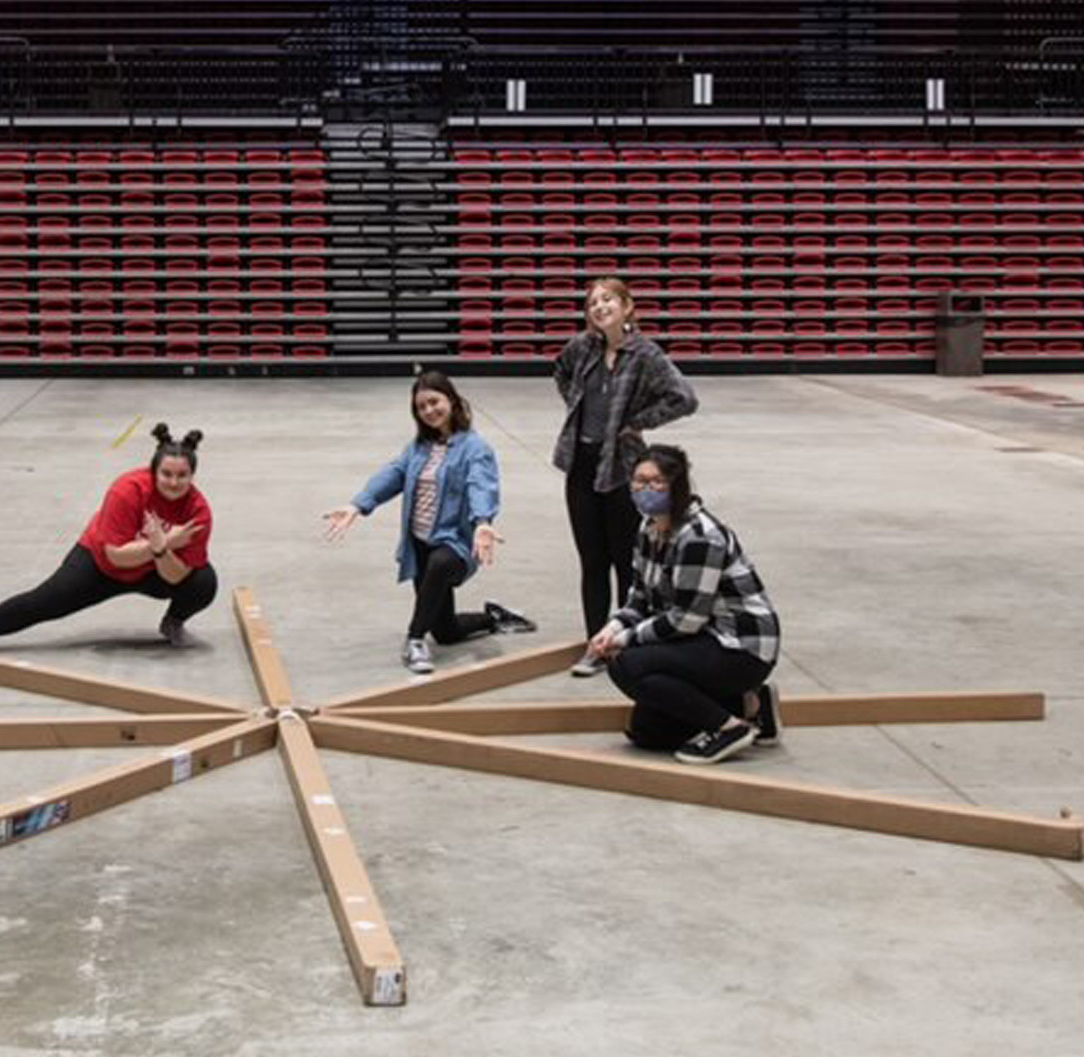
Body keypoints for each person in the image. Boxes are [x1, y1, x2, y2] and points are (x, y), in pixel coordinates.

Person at [324, 370, 537, 675]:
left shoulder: (475, 449)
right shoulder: (418, 448)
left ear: (451, 400)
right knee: (446, 632)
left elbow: (481, 485)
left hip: (455, 544)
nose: (429, 411)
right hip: (420, 543)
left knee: (439, 565)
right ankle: (495, 617)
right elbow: (393, 474)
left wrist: (482, 521)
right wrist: (357, 505)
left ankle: (413, 641)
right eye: (421, 407)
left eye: (434, 402)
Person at [587, 445, 781, 765]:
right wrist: (612, 627)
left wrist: (625, 640)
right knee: (648, 731)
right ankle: (752, 706)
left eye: (655, 482)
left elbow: (686, 619)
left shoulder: (699, 537)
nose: (644, 490)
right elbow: (639, 599)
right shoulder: (648, 528)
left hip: (740, 645)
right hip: (701, 637)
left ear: (677, 485)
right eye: (638, 481)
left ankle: (729, 727)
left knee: (628, 665)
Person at [0, 424, 215, 649]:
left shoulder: (198, 512)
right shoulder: (127, 490)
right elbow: (116, 556)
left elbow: (175, 577)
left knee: (203, 581)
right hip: (100, 565)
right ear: (152, 472)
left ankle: (173, 623)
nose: (173, 482)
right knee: (44, 601)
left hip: (152, 570)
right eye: (166, 474)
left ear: (193, 476)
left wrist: (160, 550)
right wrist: (164, 543)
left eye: (182, 476)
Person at [553, 276, 699, 676]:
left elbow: (684, 397)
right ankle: (594, 644)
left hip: (621, 467)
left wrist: (638, 422)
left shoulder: (645, 353)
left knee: (625, 560)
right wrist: (576, 406)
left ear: (627, 306)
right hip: (581, 462)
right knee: (591, 559)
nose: (599, 307)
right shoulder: (582, 347)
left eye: (608, 300)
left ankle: (624, 641)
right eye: (593, 302)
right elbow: (560, 371)